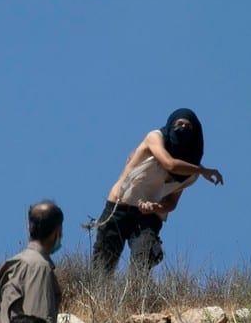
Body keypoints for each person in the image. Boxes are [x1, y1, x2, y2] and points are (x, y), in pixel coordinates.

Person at [91, 108, 223, 276]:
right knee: (103, 265)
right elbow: (170, 164)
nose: (182, 128)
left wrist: (155, 207)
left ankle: (136, 299)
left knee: (144, 258)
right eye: (178, 124)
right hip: (119, 206)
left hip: (148, 216)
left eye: (188, 126)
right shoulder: (155, 137)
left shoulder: (190, 175)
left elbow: (172, 203)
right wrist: (202, 170)